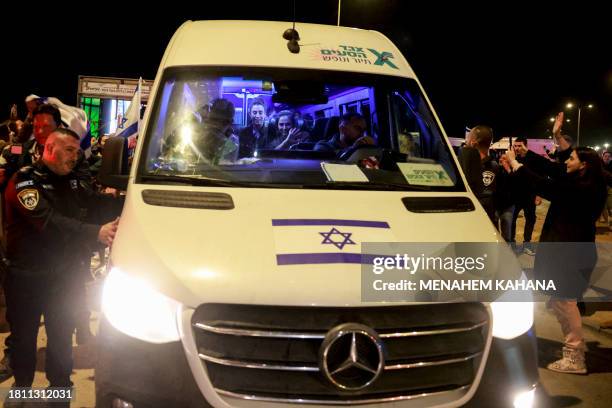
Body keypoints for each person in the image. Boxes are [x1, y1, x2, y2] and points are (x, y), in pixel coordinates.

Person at [3, 128, 122, 389]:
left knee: (60, 339)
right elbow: (50, 223)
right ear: (49, 148)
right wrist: (97, 233)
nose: (74, 157)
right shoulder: (24, 182)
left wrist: (127, 200)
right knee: (24, 341)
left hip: (63, 278)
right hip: (26, 280)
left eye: (77, 152)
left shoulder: (72, 180)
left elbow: (94, 202)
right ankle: (22, 391)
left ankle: (59, 393)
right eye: (69, 150)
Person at [502, 117, 607, 375]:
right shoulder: (582, 180)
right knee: (562, 302)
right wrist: (532, 152)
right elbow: (554, 168)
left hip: (569, 255)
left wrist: (517, 164)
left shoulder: (581, 189)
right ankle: (574, 350)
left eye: (571, 159)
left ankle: (575, 357)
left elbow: (545, 184)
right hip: (570, 253)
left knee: (563, 303)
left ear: (582, 166)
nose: (565, 162)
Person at [463, 125, 514, 241]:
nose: (466, 142)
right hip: (489, 228)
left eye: (468, 138)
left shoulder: (468, 167)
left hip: (477, 227)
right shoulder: (496, 167)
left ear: (473, 142)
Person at [509, 137, 539, 255]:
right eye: (515, 146)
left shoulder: (531, 159)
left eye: (519, 145)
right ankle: (512, 244)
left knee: (531, 219)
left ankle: (527, 243)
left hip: (529, 195)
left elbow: (536, 178)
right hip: (514, 196)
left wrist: (538, 195)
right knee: (512, 220)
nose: (517, 148)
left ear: (526, 146)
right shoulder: (511, 159)